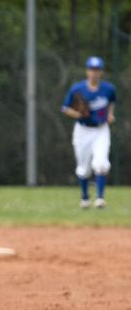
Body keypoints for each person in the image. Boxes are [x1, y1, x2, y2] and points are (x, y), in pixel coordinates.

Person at [61, 55, 116, 209]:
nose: (95, 73)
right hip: (83, 130)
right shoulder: (77, 89)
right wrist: (78, 114)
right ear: (87, 71)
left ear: (101, 72)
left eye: (97, 69)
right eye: (92, 69)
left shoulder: (108, 89)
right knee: (83, 168)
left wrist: (110, 115)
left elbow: (111, 103)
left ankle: (100, 198)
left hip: (101, 130)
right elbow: (65, 108)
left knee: (101, 163)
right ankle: (85, 198)